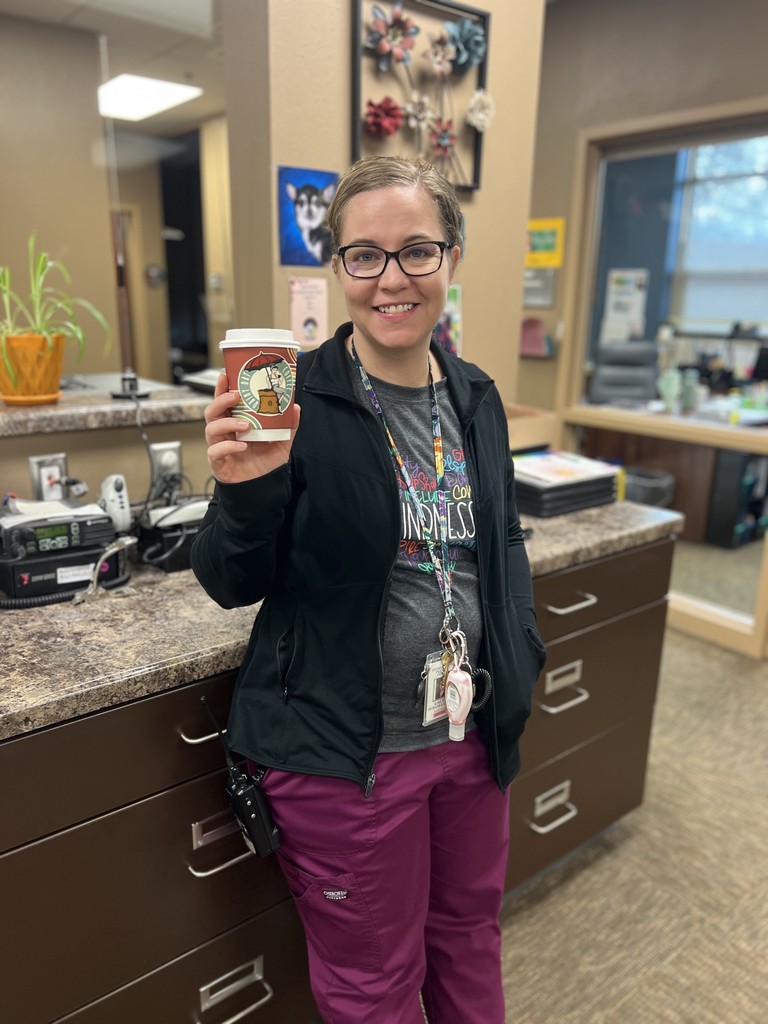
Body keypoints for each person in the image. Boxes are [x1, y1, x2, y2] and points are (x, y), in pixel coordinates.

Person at [191, 155, 546, 1024]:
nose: (392, 279)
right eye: (365, 255)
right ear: (338, 269)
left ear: (452, 258)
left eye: (417, 251)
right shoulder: (296, 400)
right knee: (374, 985)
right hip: (349, 755)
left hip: (470, 738)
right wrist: (246, 488)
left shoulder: (476, 397)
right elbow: (229, 582)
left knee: (468, 935)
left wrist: (520, 662)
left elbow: (496, 542)